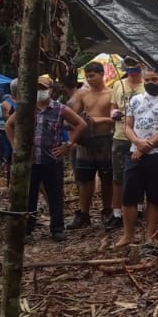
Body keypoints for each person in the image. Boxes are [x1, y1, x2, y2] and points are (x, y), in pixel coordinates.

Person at [6, 74, 88, 241]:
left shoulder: (59, 108)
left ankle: (57, 229)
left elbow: (81, 124)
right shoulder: (26, 108)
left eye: (43, 88)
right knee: (30, 196)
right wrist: (15, 147)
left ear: (50, 90)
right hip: (31, 161)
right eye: (37, 88)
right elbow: (9, 125)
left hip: (52, 159)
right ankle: (27, 230)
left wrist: (68, 144)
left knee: (55, 195)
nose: (40, 91)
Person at [117, 68, 158, 248]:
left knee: (155, 196)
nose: (151, 83)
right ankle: (128, 236)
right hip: (134, 152)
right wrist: (138, 142)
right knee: (129, 196)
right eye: (147, 80)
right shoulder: (136, 100)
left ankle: (150, 236)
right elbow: (127, 126)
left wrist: (146, 147)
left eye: (154, 79)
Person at [68, 61, 115, 227]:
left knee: (107, 178)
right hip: (86, 140)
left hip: (105, 139)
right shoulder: (82, 94)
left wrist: (97, 120)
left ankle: (107, 211)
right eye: (87, 76)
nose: (89, 79)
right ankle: (83, 214)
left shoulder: (111, 93)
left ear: (102, 74)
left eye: (92, 76)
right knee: (84, 179)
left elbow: (116, 119)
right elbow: (71, 114)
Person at [107, 57, 145, 232]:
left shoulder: (146, 86)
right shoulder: (118, 85)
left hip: (140, 136)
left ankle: (139, 207)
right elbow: (113, 105)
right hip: (120, 135)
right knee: (118, 176)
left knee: (139, 174)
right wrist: (114, 112)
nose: (132, 70)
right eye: (128, 67)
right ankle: (116, 212)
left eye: (135, 66)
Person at [0, 81, 16, 170]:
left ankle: (7, 162)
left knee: (9, 146)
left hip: (9, 129)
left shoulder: (13, 106)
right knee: (4, 146)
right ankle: (3, 161)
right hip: (1, 130)